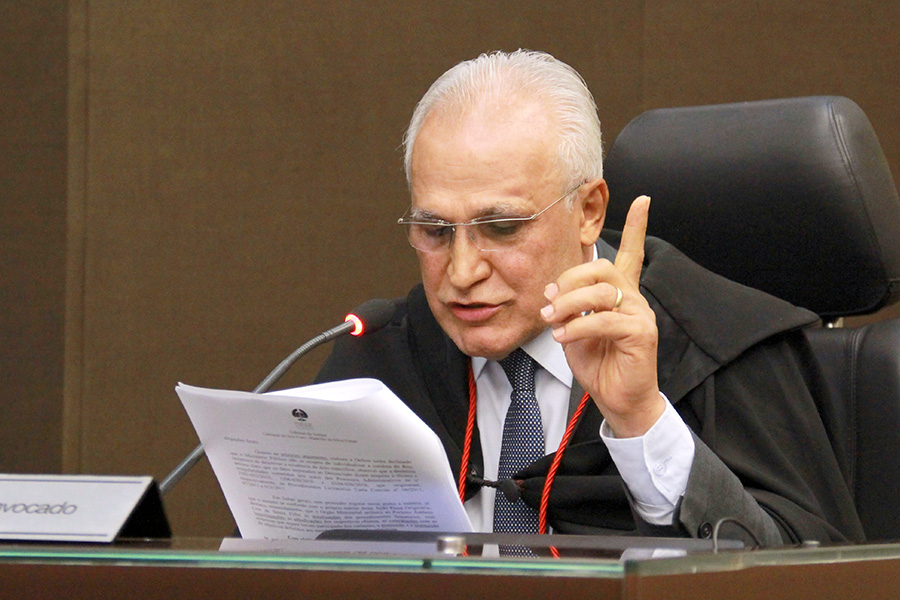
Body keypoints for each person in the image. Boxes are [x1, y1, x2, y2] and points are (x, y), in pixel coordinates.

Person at [316, 50, 864, 545]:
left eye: (502, 226)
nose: (461, 272)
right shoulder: (382, 356)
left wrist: (643, 420)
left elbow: (809, 571)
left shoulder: (714, 345)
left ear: (589, 212)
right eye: (435, 230)